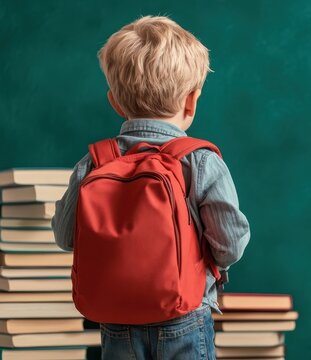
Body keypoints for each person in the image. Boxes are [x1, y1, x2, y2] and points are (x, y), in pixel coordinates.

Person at [51, 15, 251, 360]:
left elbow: (65, 235)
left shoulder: (94, 162)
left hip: (115, 321)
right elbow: (229, 245)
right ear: (192, 101)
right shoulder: (200, 161)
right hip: (184, 315)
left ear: (114, 101)